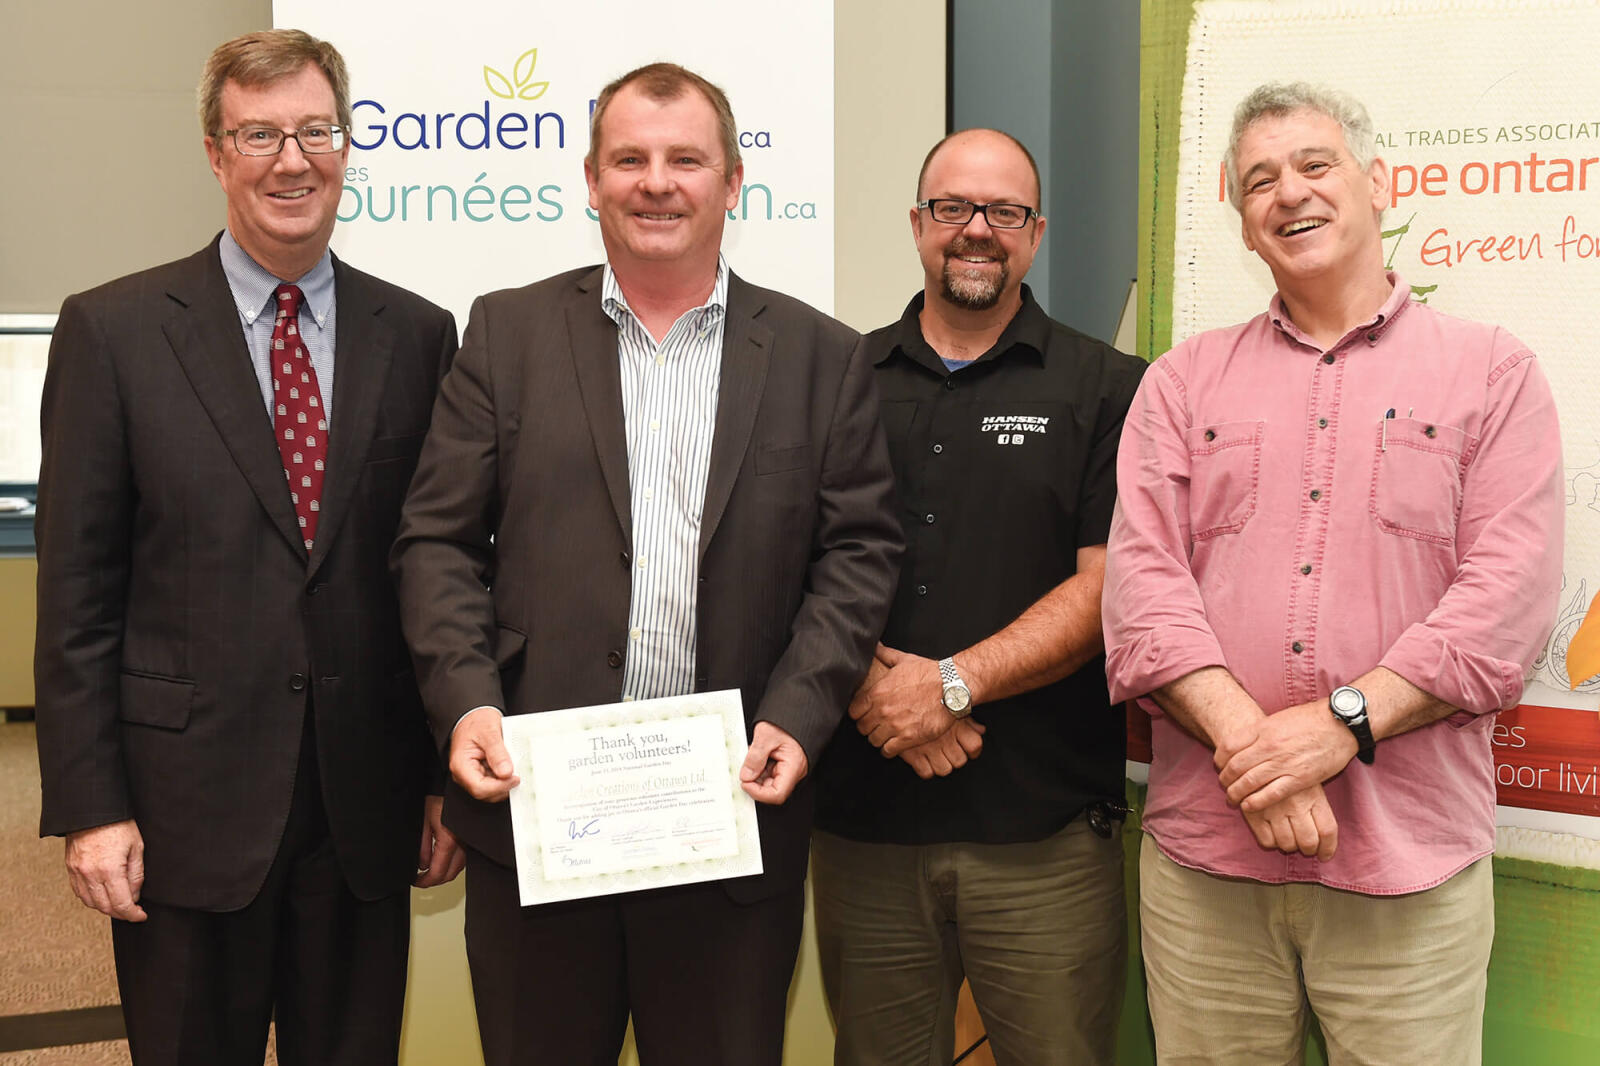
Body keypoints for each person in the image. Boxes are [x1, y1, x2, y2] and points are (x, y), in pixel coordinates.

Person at [390, 61, 901, 1066]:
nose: (655, 182)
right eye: (629, 158)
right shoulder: (507, 331)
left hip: (729, 818)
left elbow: (857, 554)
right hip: (538, 819)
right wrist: (466, 704)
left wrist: (797, 717)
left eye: (684, 160)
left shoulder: (818, 355)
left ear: (732, 182)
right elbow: (435, 541)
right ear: (590, 180)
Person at [1104, 82, 1564, 1065]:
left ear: (1378, 184)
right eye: (1258, 179)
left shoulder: (1492, 374)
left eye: (1314, 165)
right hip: (1206, 876)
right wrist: (1255, 751)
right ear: (1240, 220)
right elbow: (1143, 591)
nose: (1287, 192)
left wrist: (1337, 726)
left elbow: (1505, 603)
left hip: (1411, 877)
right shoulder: (1179, 384)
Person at [32, 28, 462, 1066]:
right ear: (217, 153)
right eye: (260, 133)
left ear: (347, 147)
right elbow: (78, 594)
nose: (291, 159)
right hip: (184, 811)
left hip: (361, 811)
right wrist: (92, 808)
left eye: (316, 129)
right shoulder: (115, 330)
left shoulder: (419, 334)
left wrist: (439, 775)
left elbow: (437, 571)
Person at [809, 128, 1145, 1065]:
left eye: (1003, 212)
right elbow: (785, 567)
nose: (977, 232)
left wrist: (950, 684)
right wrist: (880, 689)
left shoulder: (1109, 387)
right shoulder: (833, 379)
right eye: (954, 209)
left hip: (1043, 833)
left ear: (1035, 234)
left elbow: (1108, 583)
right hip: (863, 824)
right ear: (919, 224)